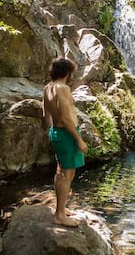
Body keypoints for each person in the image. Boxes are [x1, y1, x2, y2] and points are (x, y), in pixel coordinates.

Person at [42, 58, 88, 227]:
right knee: (68, 174)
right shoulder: (63, 88)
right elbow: (66, 117)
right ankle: (60, 215)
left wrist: (52, 132)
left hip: (56, 132)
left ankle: (60, 208)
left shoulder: (48, 87)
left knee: (60, 171)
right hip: (67, 134)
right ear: (68, 73)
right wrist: (79, 140)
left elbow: (45, 114)